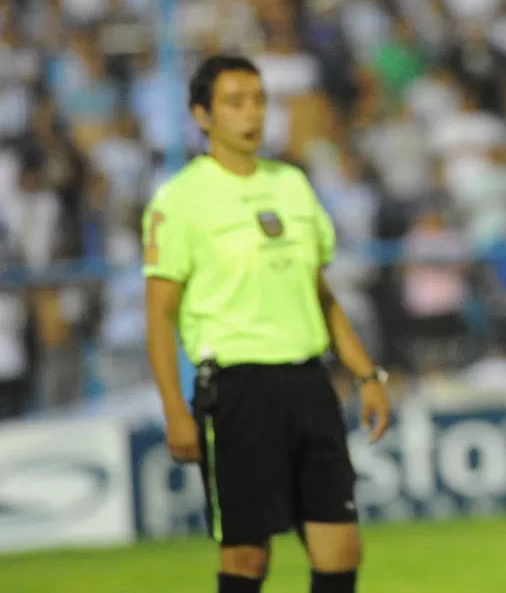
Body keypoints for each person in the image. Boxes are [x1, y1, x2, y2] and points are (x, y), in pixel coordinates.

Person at [144, 55, 391, 593]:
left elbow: (320, 294)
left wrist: (367, 375)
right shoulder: (180, 200)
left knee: (340, 549)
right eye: (235, 102)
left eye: (258, 100)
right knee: (247, 558)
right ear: (202, 116)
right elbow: (158, 317)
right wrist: (174, 410)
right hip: (237, 388)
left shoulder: (292, 185)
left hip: (309, 382)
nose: (251, 113)